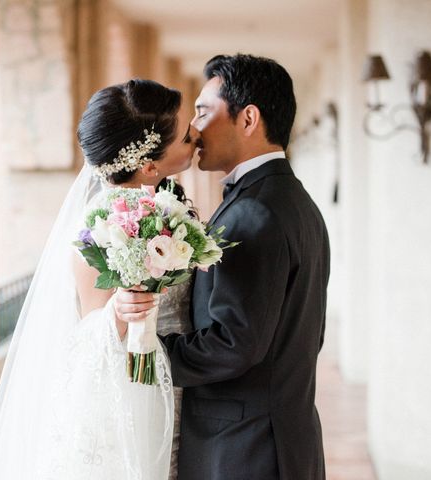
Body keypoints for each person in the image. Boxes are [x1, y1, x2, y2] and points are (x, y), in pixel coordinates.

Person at [115, 54, 331, 479]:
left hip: (244, 448)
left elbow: (236, 342)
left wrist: (147, 357)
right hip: (282, 435)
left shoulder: (255, 213)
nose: (193, 129)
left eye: (202, 112)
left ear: (248, 119)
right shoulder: (293, 201)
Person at [0, 79, 197, 480]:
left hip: (173, 382)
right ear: (149, 165)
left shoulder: (163, 202)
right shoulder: (101, 225)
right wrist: (119, 309)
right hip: (132, 394)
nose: (196, 136)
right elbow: (88, 335)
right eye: (186, 136)